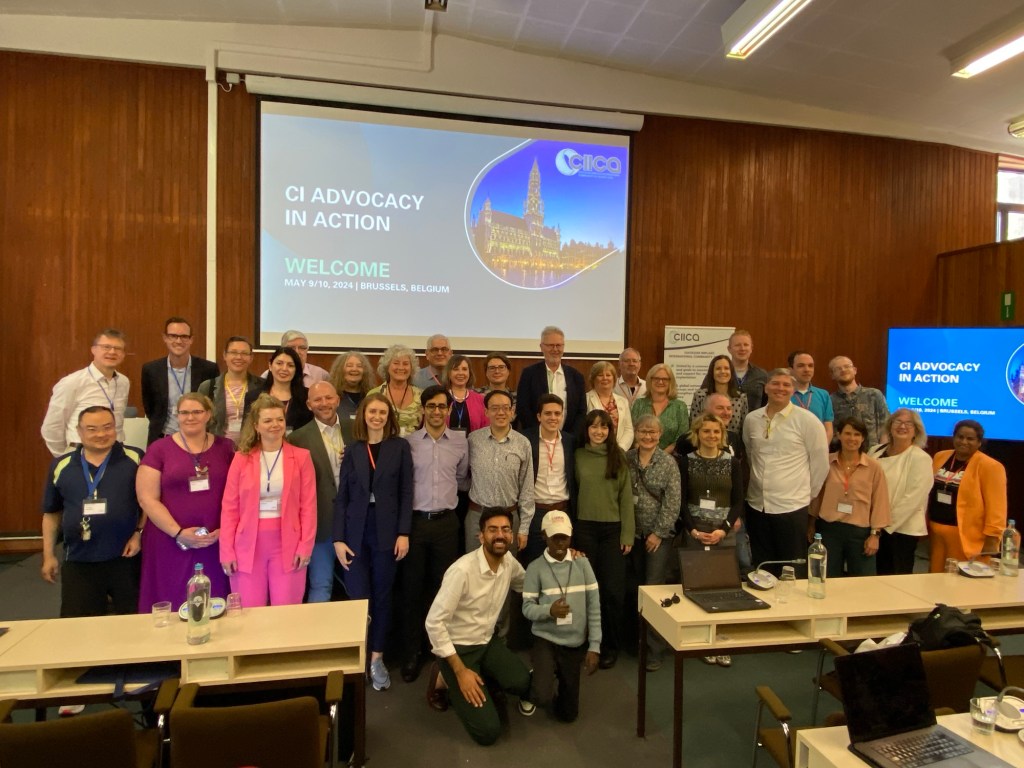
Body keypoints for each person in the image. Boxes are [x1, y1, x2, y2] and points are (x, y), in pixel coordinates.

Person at [424, 507, 533, 746]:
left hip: (486, 642)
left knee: (523, 682)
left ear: (511, 536)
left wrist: (566, 562)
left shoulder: (509, 562)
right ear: (481, 536)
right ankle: (443, 675)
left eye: (505, 529)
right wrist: (460, 671)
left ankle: (480, 676)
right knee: (488, 732)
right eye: (492, 530)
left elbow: (529, 584)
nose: (500, 535)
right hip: (458, 650)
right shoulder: (461, 571)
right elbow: (433, 622)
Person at [333, 392, 414, 692]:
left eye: (382, 412)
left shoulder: (400, 447)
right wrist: (338, 538)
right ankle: (358, 656)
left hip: (387, 532)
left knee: (382, 595)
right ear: (363, 416)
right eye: (372, 412)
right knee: (358, 598)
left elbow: (406, 492)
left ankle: (377, 658)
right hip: (355, 532)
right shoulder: (352, 450)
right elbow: (342, 497)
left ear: (389, 417)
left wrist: (404, 532)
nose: (377, 417)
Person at [41, 405, 143, 616]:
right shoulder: (61, 465)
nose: (101, 434)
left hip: (127, 558)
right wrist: (48, 555)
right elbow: (51, 514)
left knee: (134, 623)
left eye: (107, 427)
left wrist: (139, 533)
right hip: (79, 559)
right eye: (92, 429)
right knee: (79, 627)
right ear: (79, 431)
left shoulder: (135, 458)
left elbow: (151, 502)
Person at [135, 392, 234, 609]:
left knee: (215, 599)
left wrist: (226, 530)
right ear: (177, 415)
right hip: (169, 540)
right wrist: (178, 533)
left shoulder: (226, 448)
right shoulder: (159, 449)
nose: (190, 417)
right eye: (184, 412)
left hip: (215, 540)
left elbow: (239, 494)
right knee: (171, 597)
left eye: (197, 412)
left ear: (208, 414)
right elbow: (147, 499)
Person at [220, 394, 317, 607]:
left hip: (289, 544)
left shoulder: (301, 457)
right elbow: (230, 508)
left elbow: (308, 507)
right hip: (247, 545)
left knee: (286, 610)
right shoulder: (241, 459)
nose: (275, 425)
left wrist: (305, 546)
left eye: (279, 419)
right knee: (249, 611)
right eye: (268, 420)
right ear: (256, 426)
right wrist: (226, 550)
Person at [400, 386, 469, 683]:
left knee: (444, 591)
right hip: (416, 524)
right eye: (431, 406)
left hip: (446, 524)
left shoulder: (461, 442)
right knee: (412, 590)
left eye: (442, 406)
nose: (437, 411)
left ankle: (441, 653)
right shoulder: (409, 443)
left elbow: (461, 479)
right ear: (423, 409)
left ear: (449, 410)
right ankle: (412, 652)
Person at [743, 368, 829, 576]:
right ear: (766, 388)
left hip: (791, 506)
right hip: (757, 505)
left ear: (793, 389)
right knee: (762, 566)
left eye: (786, 385)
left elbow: (820, 464)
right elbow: (750, 455)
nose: (780, 388)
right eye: (775, 383)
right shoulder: (752, 419)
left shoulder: (808, 421)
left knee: (791, 568)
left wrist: (806, 495)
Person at [676, 412, 744, 666]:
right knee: (697, 586)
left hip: (722, 532)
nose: (711, 436)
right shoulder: (686, 462)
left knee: (723, 588)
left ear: (722, 434)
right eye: (706, 431)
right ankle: (700, 639)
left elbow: (738, 501)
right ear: (697, 434)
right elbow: (681, 500)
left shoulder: (732, 463)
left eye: (716, 431)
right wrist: (692, 530)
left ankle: (720, 640)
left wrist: (723, 529)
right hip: (695, 531)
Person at [520, 511, 601, 722]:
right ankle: (537, 677)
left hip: (573, 641)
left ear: (571, 537)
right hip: (545, 638)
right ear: (544, 536)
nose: (560, 542)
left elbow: (594, 606)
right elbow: (527, 608)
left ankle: (550, 673)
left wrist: (594, 646)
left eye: (564, 537)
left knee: (568, 715)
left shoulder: (582, 563)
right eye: (554, 537)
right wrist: (548, 611)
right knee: (542, 696)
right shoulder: (535, 568)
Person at [574, 409, 634, 670]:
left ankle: (610, 645)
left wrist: (627, 534)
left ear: (610, 431)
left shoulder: (618, 456)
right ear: (586, 429)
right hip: (584, 529)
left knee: (612, 591)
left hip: (613, 531)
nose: (599, 431)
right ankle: (588, 643)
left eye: (604, 427)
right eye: (594, 426)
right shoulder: (577, 455)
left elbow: (626, 498)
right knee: (587, 590)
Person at [626, 414, 680, 670]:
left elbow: (673, 502)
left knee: (654, 589)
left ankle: (655, 649)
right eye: (643, 431)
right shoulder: (627, 459)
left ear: (660, 435)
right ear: (636, 433)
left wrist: (658, 533)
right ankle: (635, 642)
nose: (647, 436)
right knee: (633, 587)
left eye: (652, 432)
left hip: (658, 538)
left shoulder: (668, 463)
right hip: (631, 535)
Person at [287, 382, 346, 603]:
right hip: (320, 524)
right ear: (309, 404)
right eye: (318, 399)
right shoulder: (297, 439)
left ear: (337, 400)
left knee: (358, 585)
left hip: (354, 521)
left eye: (328, 398)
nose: (324, 403)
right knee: (321, 584)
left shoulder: (356, 430)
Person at [809, 417, 891, 577]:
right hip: (829, 530)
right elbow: (817, 495)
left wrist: (875, 535)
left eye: (857, 434)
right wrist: (811, 523)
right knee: (826, 577)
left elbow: (880, 502)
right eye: (847, 433)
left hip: (860, 533)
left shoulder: (874, 467)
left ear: (863, 438)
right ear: (838, 435)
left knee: (863, 581)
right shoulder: (826, 462)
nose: (852, 438)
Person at [926, 419, 1007, 572]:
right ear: (953, 437)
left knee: (961, 581)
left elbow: (997, 507)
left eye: (970, 439)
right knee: (935, 579)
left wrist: (992, 539)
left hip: (966, 537)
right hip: (937, 532)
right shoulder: (940, 457)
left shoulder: (991, 466)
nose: (964, 442)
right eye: (960, 437)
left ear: (979, 442)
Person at [41, 329, 131, 457]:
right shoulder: (72, 382)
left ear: (123, 354)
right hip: (80, 453)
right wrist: (63, 457)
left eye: (118, 348)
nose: (112, 352)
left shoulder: (123, 382)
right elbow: (52, 426)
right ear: (93, 350)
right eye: (106, 347)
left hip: (116, 452)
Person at [466, 390, 535, 553]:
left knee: (507, 566)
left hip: (509, 518)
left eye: (505, 408)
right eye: (495, 408)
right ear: (486, 412)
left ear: (512, 411)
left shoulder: (523, 443)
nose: (501, 412)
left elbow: (527, 488)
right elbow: (463, 476)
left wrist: (524, 528)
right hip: (478, 516)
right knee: (474, 565)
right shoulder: (473, 440)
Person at [868, 409, 933, 574]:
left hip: (900, 531)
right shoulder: (875, 451)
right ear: (890, 426)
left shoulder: (921, 458)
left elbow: (913, 499)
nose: (902, 426)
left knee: (895, 578)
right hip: (871, 526)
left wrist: (881, 526)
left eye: (908, 423)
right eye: (898, 422)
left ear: (916, 431)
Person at [140, 317, 220, 445]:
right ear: (165, 338)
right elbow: (150, 407)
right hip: (163, 439)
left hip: (198, 439)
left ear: (191, 339)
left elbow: (211, 405)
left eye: (184, 336)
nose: (178, 341)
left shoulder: (208, 369)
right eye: (173, 336)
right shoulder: (151, 370)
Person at [522, 394, 575, 565]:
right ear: (539, 416)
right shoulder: (525, 440)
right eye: (548, 413)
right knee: (534, 562)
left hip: (563, 510)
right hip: (536, 512)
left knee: (560, 563)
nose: (553, 417)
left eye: (557, 413)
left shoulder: (570, 441)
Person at [516, 326, 586, 434]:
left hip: (569, 438)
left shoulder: (576, 377)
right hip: (536, 437)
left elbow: (581, 412)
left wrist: (570, 437)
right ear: (541, 347)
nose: (555, 349)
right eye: (550, 345)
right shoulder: (529, 374)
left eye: (559, 345)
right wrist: (539, 434)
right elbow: (523, 408)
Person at [198, 336, 262, 445]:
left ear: (251, 358)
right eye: (234, 352)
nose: (239, 357)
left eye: (244, 353)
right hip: (217, 447)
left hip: (252, 447)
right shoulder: (208, 387)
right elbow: (199, 421)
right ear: (225, 355)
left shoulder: (261, 386)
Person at [828, 356, 890, 447]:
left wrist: (881, 451)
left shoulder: (874, 395)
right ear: (832, 375)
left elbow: (886, 426)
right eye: (838, 369)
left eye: (847, 366)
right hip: (842, 453)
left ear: (855, 370)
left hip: (872, 452)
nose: (843, 370)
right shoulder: (830, 400)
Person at [630, 363, 689, 453]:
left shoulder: (680, 407)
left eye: (665, 379)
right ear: (650, 380)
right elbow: (632, 433)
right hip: (640, 455)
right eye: (656, 378)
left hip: (671, 457)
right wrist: (645, 454)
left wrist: (661, 456)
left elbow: (681, 437)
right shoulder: (639, 404)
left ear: (670, 382)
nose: (660, 382)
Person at [369, 344, 423, 437]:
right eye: (396, 363)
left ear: (412, 368)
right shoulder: (374, 394)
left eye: (405, 364)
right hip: (382, 443)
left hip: (414, 445)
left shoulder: (421, 395)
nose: (401, 367)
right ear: (387, 366)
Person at [688, 354, 748, 434]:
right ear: (712, 372)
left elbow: (743, 429)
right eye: (718, 368)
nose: (723, 371)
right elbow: (694, 426)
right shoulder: (700, 396)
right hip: (706, 440)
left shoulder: (741, 398)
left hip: (733, 441)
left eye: (726, 368)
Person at [260, 346, 313, 432]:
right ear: (270, 365)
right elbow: (248, 431)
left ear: (296, 370)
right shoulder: (254, 396)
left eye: (290, 365)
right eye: (279, 363)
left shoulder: (307, 396)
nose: (284, 369)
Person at [586, 361, 634, 451]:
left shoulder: (623, 401)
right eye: (600, 375)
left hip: (618, 451)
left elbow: (628, 429)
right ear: (593, 379)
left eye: (608, 375)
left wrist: (620, 449)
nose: (605, 378)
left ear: (614, 379)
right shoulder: (586, 399)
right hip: (593, 450)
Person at [788, 351, 834, 443]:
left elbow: (828, 429)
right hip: (790, 448)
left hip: (818, 446)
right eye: (801, 366)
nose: (807, 370)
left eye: (810, 366)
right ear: (790, 370)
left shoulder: (823, 394)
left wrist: (821, 448)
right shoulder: (784, 394)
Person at [329, 350, 374, 431]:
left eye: (359, 366)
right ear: (339, 370)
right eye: (349, 365)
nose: (354, 369)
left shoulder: (371, 396)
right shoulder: (331, 397)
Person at [443, 354, 489, 433]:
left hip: (474, 441)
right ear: (448, 373)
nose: (460, 373)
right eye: (456, 369)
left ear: (469, 373)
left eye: (464, 369)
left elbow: (486, 428)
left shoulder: (480, 400)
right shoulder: (440, 398)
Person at [728, 329, 768, 415]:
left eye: (746, 345)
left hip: (754, 422)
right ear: (729, 349)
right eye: (737, 345)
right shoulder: (721, 373)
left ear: (751, 349)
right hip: (725, 422)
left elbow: (767, 404)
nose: (742, 349)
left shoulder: (761, 375)